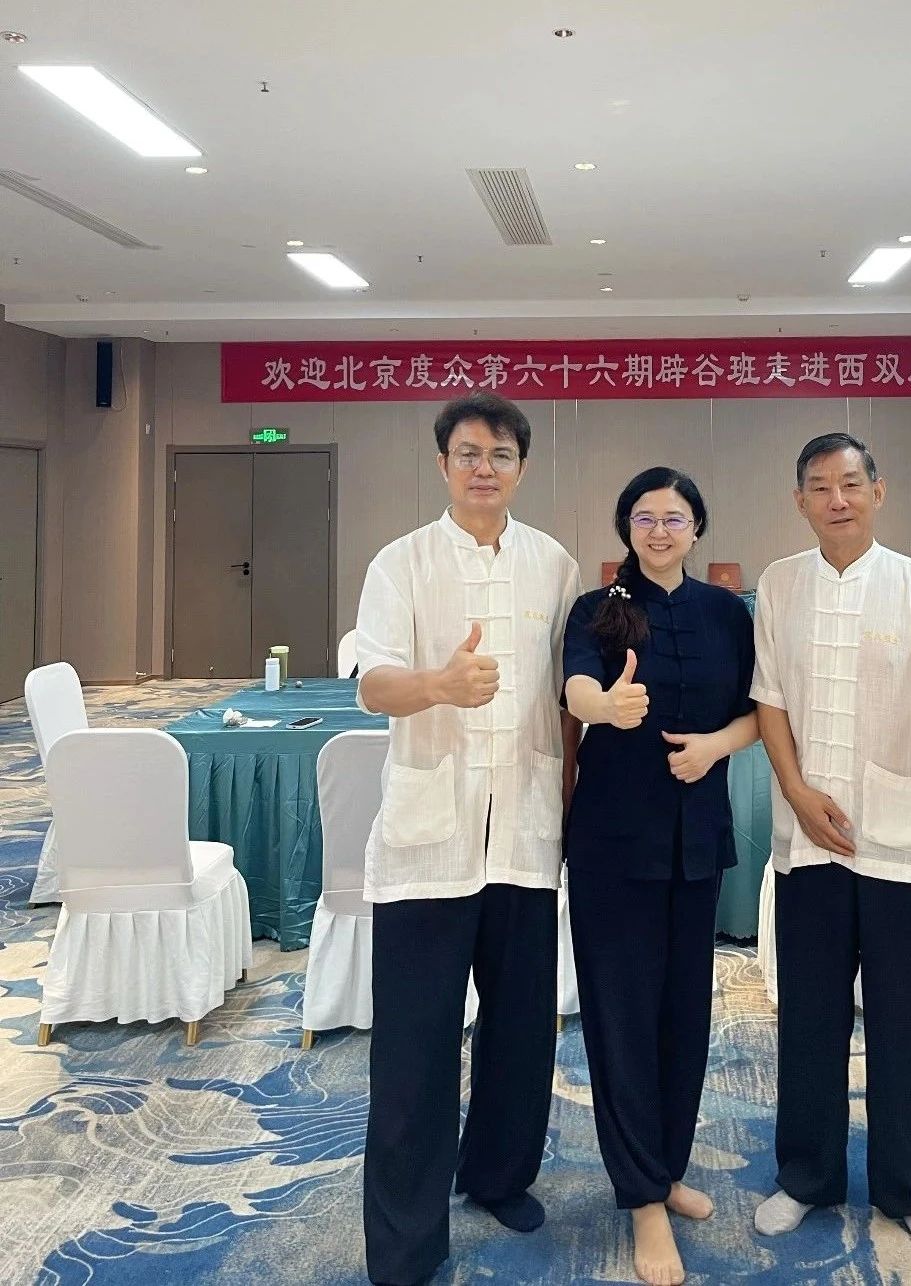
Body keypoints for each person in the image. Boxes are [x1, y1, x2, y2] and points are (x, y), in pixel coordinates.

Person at [355, 392, 581, 1286]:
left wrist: (571, 796)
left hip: (523, 828)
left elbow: (567, 694)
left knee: (522, 1029)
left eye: (500, 455)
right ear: (443, 464)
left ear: (522, 467)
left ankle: (497, 1175)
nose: (484, 468)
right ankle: (406, 1245)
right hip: (429, 845)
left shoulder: (554, 565)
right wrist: (438, 686)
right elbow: (371, 685)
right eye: (468, 453)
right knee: (414, 1050)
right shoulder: (401, 563)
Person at [750, 433, 911, 1261]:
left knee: (905, 1020)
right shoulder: (779, 584)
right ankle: (805, 1177)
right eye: (820, 486)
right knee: (809, 1016)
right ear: (800, 501)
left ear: (879, 491)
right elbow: (770, 701)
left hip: (895, 840)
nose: (836, 499)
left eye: (850, 483)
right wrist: (796, 792)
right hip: (810, 837)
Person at [562, 467, 758, 1286]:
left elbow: (758, 711)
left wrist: (716, 746)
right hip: (613, 843)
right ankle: (642, 1197)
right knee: (621, 1018)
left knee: (683, 1014)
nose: (659, 530)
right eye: (644, 518)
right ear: (626, 529)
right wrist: (603, 707)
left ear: (697, 527)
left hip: (695, 838)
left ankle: (667, 1168)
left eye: (674, 518)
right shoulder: (595, 610)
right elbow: (575, 686)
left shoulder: (727, 613)